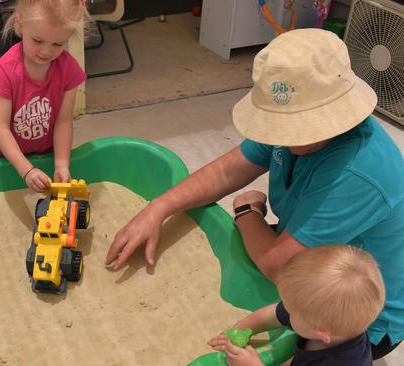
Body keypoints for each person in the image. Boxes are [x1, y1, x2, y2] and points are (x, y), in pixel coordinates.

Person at [105, 28, 404, 359]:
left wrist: (246, 212)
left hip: (353, 318)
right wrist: (157, 209)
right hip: (308, 266)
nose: (280, 135)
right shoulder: (294, 125)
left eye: (292, 126)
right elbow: (225, 172)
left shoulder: (358, 171)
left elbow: (279, 268)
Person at [208, 245, 385, 366]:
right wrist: (240, 331)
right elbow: (271, 315)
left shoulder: (343, 362)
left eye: (291, 311)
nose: (285, 310)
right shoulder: (321, 319)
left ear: (319, 331)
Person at [0, 0, 88, 192]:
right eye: (38, 40)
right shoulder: (6, 70)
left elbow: (63, 122)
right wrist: (26, 170)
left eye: (58, 44)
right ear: (20, 23)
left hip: (44, 154)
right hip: (3, 157)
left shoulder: (68, 70)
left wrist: (62, 164)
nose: (46, 51)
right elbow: (0, 127)